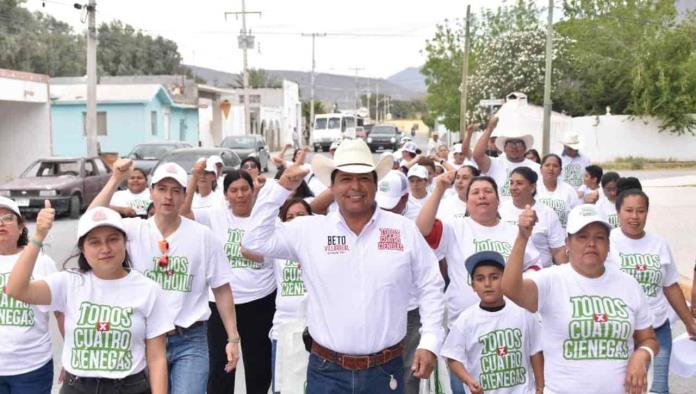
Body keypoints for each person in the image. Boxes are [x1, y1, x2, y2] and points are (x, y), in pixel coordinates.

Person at [242, 139, 445, 394]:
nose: (355, 187)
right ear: (333, 186)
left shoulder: (402, 230)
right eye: (346, 179)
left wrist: (430, 341)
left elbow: (431, 285)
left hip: (385, 371)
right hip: (327, 372)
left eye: (363, 178)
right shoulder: (311, 230)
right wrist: (281, 188)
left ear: (374, 184)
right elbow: (254, 240)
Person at [88, 160, 241, 394]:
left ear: (184, 195)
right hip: (143, 337)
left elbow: (221, 288)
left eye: (175, 190)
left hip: (190, 338)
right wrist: (115, 179)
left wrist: (232, 337)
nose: (168, 197)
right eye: (161, 189)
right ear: (151, 192)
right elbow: (92, 219)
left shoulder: (203, 237)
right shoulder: (133, 231)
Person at [7, 205, 171, 394]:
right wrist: (39, 236)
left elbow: (157, 358)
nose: (105, 249)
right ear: (82, 249)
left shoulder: (149, 290)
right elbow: (16, 289)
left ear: (125, 242)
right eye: (94, 242)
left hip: (129, 387)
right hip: (77, 387)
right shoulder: (68, 282)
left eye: (113, 239)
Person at [502, 204, 659, 394]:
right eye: (582, 237)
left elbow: (648, 338)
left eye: (599, 237)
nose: (591, 243)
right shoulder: (551, 280)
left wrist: (642, 354)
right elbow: (511, 289)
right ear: (567, 243)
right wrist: (522, 237)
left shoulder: (628, 284)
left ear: (609, 245)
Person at [181, 164, 276, 394]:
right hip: (221, 304)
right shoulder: (216, 215)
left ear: (253, 191)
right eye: (234, 190)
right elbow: (183, 214)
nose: (240, 194)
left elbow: (276, 252)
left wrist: (255, 254)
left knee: (258, 365)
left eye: (245, 189)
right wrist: (194, 178)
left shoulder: (265, 217)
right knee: (221, 366)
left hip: (259, 300)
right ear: (226, 195)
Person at [607, 186, 696, 393]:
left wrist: (689, 322)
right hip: (620, 332)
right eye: (629, 211)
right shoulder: (608, 242)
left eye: (641, 211)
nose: (635, 217)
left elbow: (671, 286)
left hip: (657, 329)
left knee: (658, 388)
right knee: (623, 387)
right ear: (618, 212)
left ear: (647, 212)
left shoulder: (659, 244)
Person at [442, 251, 543, 394]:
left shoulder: (523, 312)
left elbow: (536, 351)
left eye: (494, 277)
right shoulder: (466, 320)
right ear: (473, 286)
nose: (488, 284)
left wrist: (540, 387)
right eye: (480, 279)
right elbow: (452, 357)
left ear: (505, 279)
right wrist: (468, 380)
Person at [0, 197, 59, 394]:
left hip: (32, 368)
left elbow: (61, 313)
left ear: (20, 227)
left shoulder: (42, 262)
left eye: (7, 218)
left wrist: (71, 356)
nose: (1, 224)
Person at [375, 170, 424, 394]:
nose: (385, 209)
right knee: (376, 372)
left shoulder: (415, 224)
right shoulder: (368, 219)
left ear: (405, 198)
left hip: (409, 314)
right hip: (377, 309)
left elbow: (431, 277)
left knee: (408, 375)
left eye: (391, 204)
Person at [270, 198, 310, 394]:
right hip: (283, 332)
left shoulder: (323, 249)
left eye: (301, 216)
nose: (295, 221)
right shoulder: (277, 249)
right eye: (289, 217)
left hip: (315, 333)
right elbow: (249, 246)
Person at [499, 167, 567, 267]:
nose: (513, 187)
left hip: (539, 275)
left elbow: (558, 251)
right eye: (511, 183)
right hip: (507, 273)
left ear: (532, 187)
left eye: (519, 183)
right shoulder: (501, 210)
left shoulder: (547, 213)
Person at [473, 117, 540, 201]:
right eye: (510, 144)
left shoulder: (536, 168)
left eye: (519, 144)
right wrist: (490, 128)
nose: (515, 147)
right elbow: (477, 155)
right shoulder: (494, 163)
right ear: (503, 148)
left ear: (525, 148)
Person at [536, 154, 580, 229]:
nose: (551, 168)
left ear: (560, 171)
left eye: (555, 166)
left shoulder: (569, 190)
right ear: (541, 169)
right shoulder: (533, 188)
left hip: (562, 236)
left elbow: (576, 214)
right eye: (547, 165)